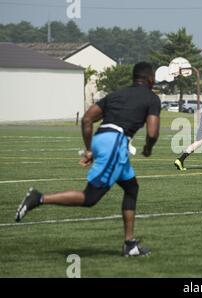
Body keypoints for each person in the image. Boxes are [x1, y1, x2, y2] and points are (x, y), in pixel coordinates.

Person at [15, 62, 161, 257]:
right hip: (115, 143)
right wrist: (148, 148)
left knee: (131, 188)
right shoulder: (152, 98)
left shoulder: (116, 95)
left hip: (103, 139)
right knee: (90, 198)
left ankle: (129, 244)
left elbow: (86, 119)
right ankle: (39, 198)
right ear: (150, 78)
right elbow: (152, 132)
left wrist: (90, 149)